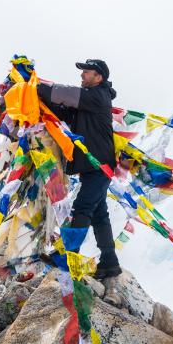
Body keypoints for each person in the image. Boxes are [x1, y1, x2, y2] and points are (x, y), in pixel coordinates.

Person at [36, 59, 121, 280]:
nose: (82, 75)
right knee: (99, 215)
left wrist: (34, 86)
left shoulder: (98, 96)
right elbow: (64, 111)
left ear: (99, 77)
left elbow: (65, 94)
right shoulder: (88, 102)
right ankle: (109, 263)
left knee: (82, 207)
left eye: (87, 72)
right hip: (95, 167)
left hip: (99, 166)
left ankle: (68, 255)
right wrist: (41, 99)